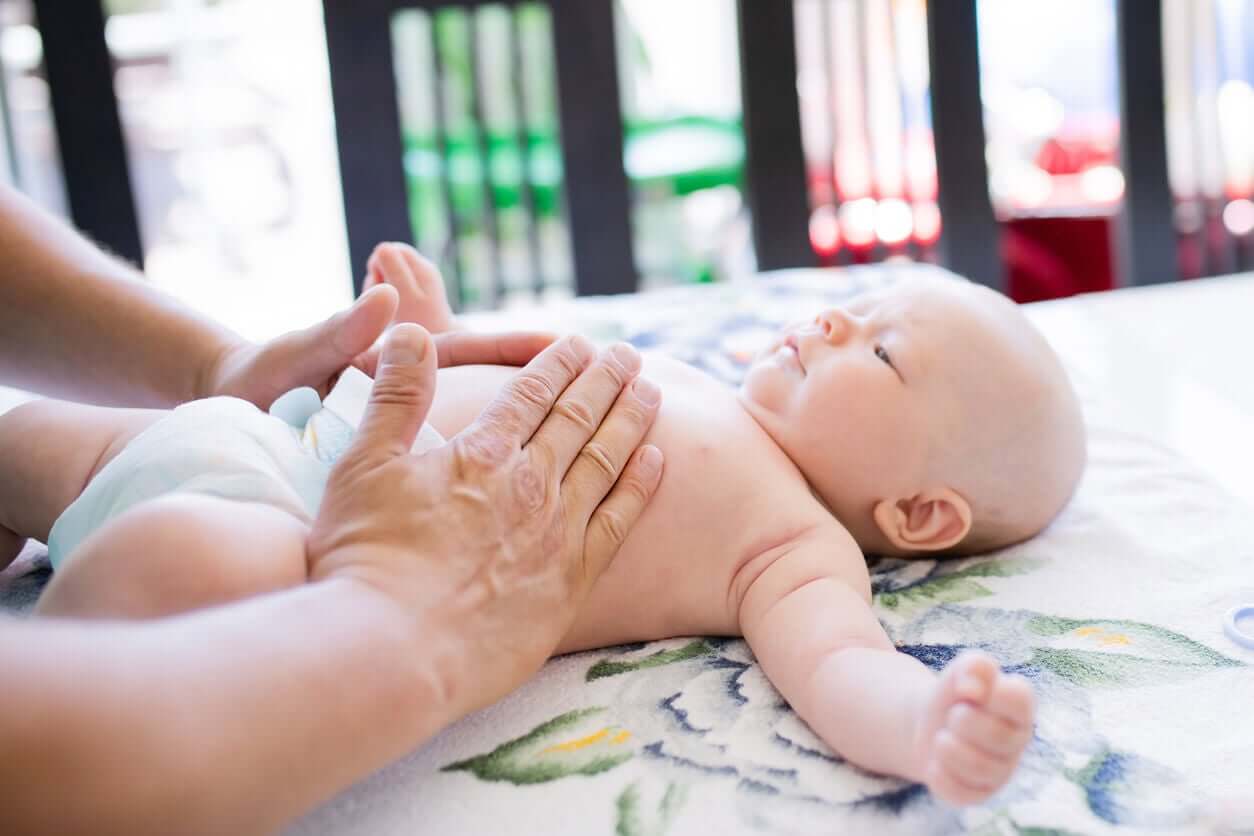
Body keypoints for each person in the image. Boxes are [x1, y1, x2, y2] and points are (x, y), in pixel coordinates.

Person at [6, 241, 1088, 806]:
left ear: (919, 514)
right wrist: (441, 332)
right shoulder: (700, 380)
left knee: (178, 555)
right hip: (272, 432)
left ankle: (82, 674)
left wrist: (927, 721)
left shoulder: (796, 548)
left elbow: (843, 667)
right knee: (37, 438)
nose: (838, 318)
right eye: (864, 304)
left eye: (885, 352)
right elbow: (509, 377)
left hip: (298, 534)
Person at [0, 185, 664, 834]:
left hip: (285, 482)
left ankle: (87, 641)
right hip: (296, 484)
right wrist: (391, 608)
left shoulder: (757, 518)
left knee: (112, 515)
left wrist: (222, 365)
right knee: (48, 464)